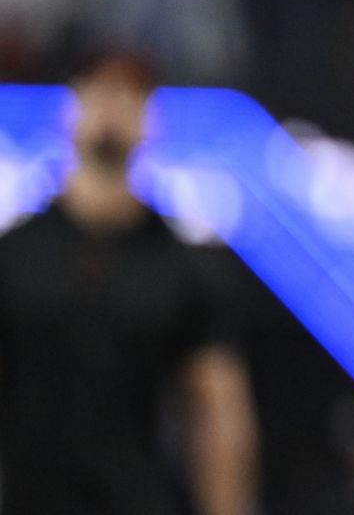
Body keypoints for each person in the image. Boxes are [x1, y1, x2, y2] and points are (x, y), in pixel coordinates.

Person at [0, 53, 258, 515]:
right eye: (98, 90)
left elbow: (218, 407)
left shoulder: (182, 267)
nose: (112, 106)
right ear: (70, 109)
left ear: (149, 120)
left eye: (128, 94)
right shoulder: (15, 256)